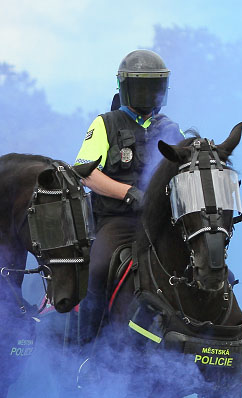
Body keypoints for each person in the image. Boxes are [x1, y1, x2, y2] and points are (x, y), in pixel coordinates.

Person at [73, 49, 184, 344]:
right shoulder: (105, 123)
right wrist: (129, 193)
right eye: (141, 86)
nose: (148, 94)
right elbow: (85, 173)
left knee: (210, 265)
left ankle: (213, 353)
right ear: (125, 88)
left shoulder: (172, 129)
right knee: (96, 269)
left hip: (162, 224)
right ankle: (86, 348)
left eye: (154, 87)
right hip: (117, 223)